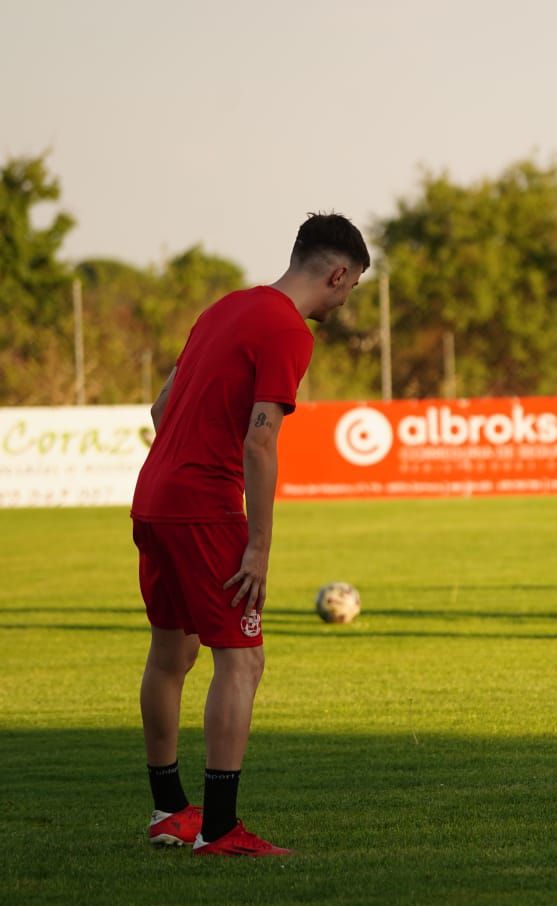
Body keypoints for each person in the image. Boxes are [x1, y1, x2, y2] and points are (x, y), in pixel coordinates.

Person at [133, 213, 368, 857]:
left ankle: (169, 811)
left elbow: (160, 408)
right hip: (204, 507)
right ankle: (220, 829)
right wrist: (258, 546)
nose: (346, 301)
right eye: (351, 289)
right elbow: (260, 438)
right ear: (338, 272)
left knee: (172, 655)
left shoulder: (226, 308)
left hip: (153, 496)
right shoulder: (287, 330)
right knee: (242, 659)